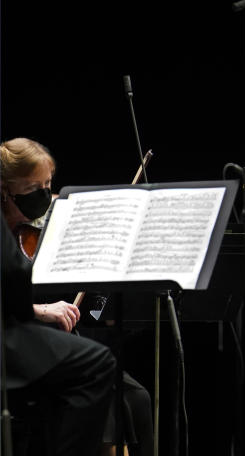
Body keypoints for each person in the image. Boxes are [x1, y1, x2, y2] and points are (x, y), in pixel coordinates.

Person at [1, 137, 153, 456]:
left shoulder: (38, 226)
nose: (44, 196)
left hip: (35, 336)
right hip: (16, 339)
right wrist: (42, 310)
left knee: (136, 396)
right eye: (32, 188)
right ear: (4, 190)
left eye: (48, 184)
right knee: (99, 376)